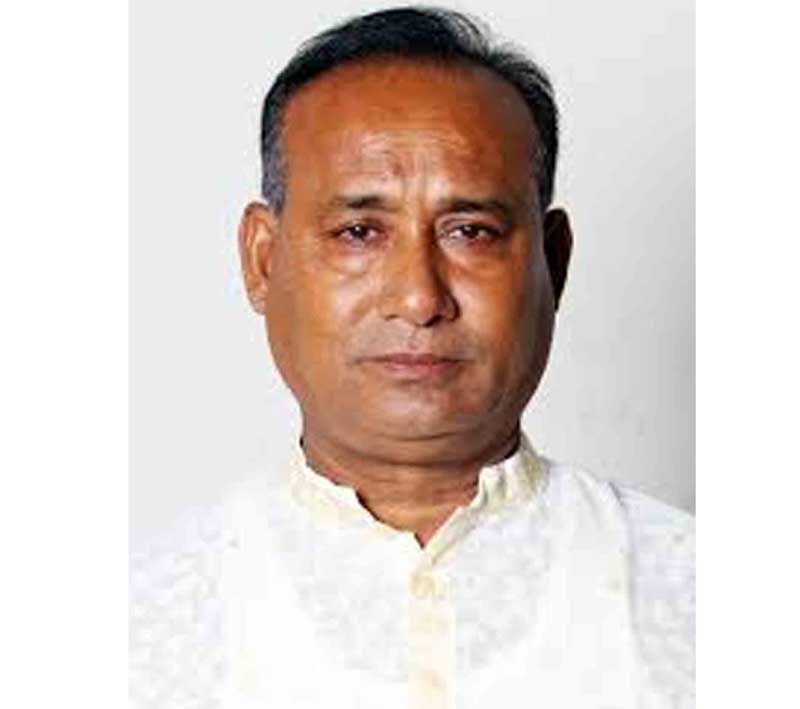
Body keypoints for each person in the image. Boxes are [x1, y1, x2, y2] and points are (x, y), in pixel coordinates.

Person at [130, 6, 694, 708]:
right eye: (359, 231)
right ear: (263, 260)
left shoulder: (697, 599)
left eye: (470, 231)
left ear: (553, 262)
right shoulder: (135, 629)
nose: (419, 297)